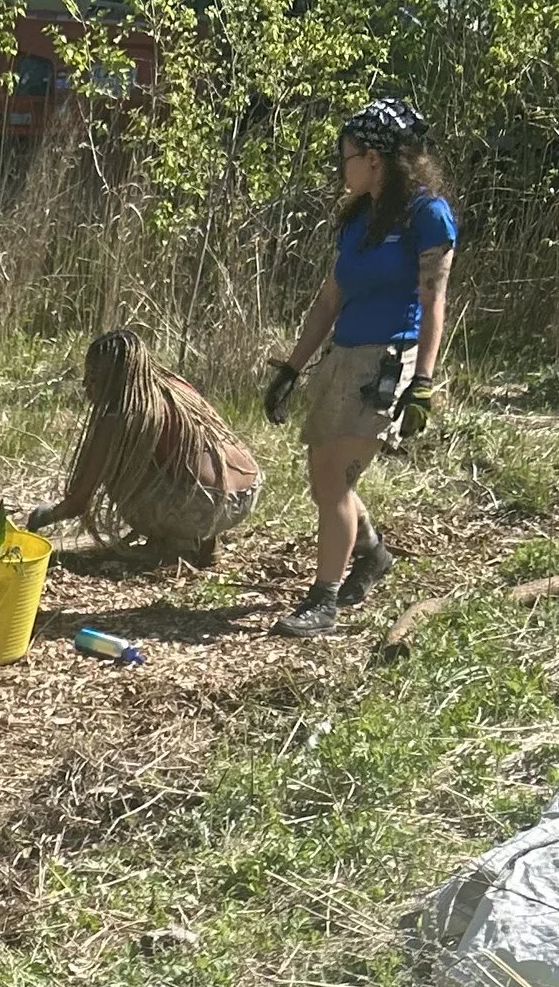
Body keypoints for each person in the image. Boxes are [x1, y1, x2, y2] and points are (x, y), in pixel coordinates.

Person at [262, 98, 457, 639]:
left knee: (334, 478)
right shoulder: (358, 218)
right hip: (342, 356)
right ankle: (371, 554)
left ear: (373, 158)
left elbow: (434, 297)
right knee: (323, 478)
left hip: (388, 360)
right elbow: (329, 299)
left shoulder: (426, 214)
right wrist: (291, 368)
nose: (339, 166)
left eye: (345, 156)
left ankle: (324, 600)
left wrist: (423, 382)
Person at [27, 329, 262, 565]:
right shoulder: (176, 387)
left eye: (92, 377)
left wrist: (44, 515)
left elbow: (79, 501)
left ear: (110, 379)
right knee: (165, 463)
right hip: (247, 492)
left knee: (120, 468)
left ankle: (177, 545)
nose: (85, 384)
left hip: (206, 505)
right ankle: (204, 540)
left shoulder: (121, 416)